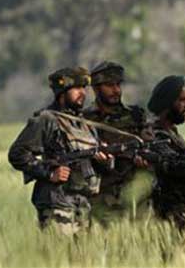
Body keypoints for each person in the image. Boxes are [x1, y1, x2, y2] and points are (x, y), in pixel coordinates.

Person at [8, 67, 111, 234]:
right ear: (62, 92)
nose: (83, 93)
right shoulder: (47, 119)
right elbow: (17, 154)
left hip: (83, 205)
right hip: (57, 204)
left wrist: (105, 161)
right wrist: (50, 173)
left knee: (85, 259)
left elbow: (97, 164)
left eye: (84, 88)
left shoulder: (84, 124)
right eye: (77, 88)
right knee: (58, 256)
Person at [83, 61, 153, 222]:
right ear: (96, 88)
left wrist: (145, 158)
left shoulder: (136, 115)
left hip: (137, 197)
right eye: (109, 85)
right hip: (102, 200)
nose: (116, 90)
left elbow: (150, 142)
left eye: (118, 84)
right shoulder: (85, 120)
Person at [147, 75, 185, 229]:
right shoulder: (153, 133)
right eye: (182, 100)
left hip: (181, 211)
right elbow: (173, 165)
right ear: (167, 104)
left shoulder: (172, 132)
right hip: (167, 215)